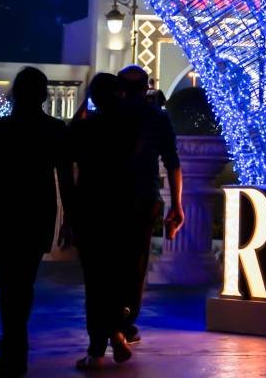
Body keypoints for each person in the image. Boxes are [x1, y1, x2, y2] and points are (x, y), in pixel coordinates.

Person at [0, 67, 72, 377]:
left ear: (16, 92)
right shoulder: (55, 129)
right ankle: (18, 334)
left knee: (6, 281)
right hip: (35, 210)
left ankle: (12, 335)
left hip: (3, 210)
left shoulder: (2, 127)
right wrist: (70, 219)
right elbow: (66, 179)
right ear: (43, 94)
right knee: (25, 277)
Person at [116, 66, 183, 352]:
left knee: (109, 261)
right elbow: (172, 161)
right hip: (144, 197)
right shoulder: (157, 117)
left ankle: (110, 321)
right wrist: (176, 204)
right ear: (147, 87)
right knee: (136, 262)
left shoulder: (109, 116)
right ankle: (126, 321)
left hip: (111, 197)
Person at [69, 72, 132, 368]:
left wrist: (85, 105)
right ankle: (117, 330)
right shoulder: (130, 127)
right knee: (117, 278)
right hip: (122, 209)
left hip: (91, 209)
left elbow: (70, 140)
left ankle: (98, 348)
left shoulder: (87, 128)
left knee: (96, 282)